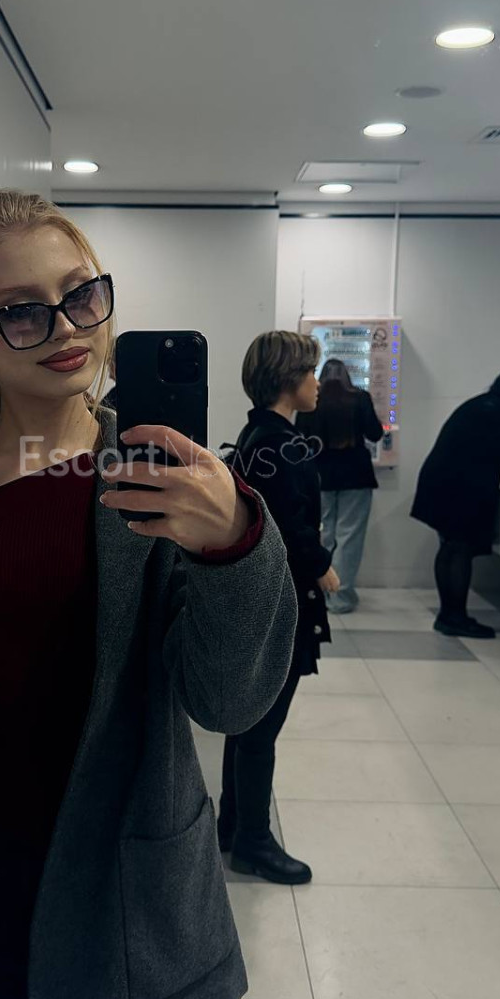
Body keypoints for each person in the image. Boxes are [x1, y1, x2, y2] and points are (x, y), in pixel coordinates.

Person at [0, 191, 299, 999]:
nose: (65, 328)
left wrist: (234, 545)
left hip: (118, 878)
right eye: (20, 311)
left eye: (81, 294)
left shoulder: (166, 485)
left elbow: (229, 701)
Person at [217, 331, 338, 885]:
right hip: (281, 601)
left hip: (265, 598)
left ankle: (233, 825)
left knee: (249, 721)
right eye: (310, 373)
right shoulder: (280, 445)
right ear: (289, 380)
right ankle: (253, 840)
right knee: (261, 727)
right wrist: (323, 566)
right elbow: (289, 525)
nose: (317, 383)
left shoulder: (259, 435)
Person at [411, 370, 500, 639]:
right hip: (460, 489)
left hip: (445, 485)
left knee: (451, 548)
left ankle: (450, 614)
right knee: (458, 550)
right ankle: (453, 617)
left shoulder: (484, 405)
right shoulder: (496, 412)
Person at [298, 358, 384, 613]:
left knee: (323, 533)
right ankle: (341, 596)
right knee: (350, 536)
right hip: (356, 474)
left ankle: (320, 594)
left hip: (320, 475)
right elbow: (375, 433)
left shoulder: (313, 400)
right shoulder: (360, 398)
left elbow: (300, 436)